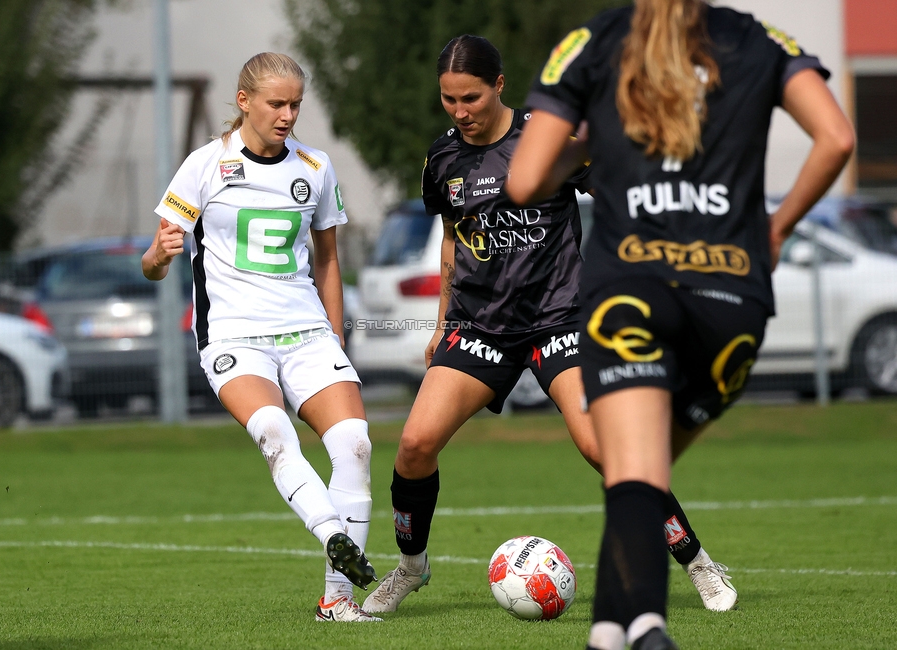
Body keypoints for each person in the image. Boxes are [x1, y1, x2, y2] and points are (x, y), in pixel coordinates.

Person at [507, 2, 853, 648]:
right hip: (732, 305)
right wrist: (776, 228)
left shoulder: (591, 42)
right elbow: (837, 138)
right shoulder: (759, 39)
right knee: (637, 484)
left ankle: (649, 628)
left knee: (633, 478)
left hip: (628, 297)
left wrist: (592, 150)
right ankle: (612, 632)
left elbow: (525, 180)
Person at [362, 34, 736, 616]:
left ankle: (697, 562)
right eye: (449, 100)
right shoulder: (442, 159)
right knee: (413, 445)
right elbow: (452, 246)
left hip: (558, 320)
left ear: (499, 86)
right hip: (480, 327)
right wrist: (441, 324)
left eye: (472, 98)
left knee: (603, 447)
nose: (460, 112)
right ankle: (411, 567)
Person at [142, 52, 382, 623]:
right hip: (234, 335)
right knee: (274, 430)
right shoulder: (203, 166)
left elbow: (328, 262)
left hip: (307, 334)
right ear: (244, 100)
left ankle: (338, 601)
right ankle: (333, 535)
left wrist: (336, 337)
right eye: (277, 102)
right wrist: (158, 256)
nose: (288, 113)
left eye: (296, 103)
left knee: (354, 444)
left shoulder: (316, 167)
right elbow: (153, 263)